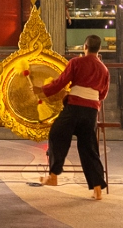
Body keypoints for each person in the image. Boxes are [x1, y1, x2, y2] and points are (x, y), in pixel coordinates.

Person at [34, 33, 109, 198]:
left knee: (57, 135)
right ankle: (97, 189)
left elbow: (61, 81)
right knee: (89, 148)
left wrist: (44, 90)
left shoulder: (76, 62)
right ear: (99, 49)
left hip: (74, 107)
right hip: (91, 111)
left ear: (85, 47)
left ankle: (53, 175)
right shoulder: (104, 69)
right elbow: (102, 94)